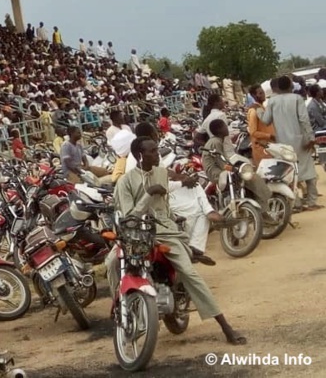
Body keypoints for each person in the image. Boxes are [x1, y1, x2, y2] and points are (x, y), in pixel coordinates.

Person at [106, 137, 246, 345]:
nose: (157, 154)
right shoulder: (125, 182)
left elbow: (163, 209)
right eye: (152, 151)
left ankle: (226, 327)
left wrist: (171, 218)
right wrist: (149, 193)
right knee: (111, 262)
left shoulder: (161, 173)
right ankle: (121, 310)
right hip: (135, 234)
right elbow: (129, 218)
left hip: (165, 232)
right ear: (139, 155)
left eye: (156, 150)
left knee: (189, 273)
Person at [258, 75, 320, 211]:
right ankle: (311, 201)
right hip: (300, 141)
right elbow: (304, 120)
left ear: (278, 87)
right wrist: (311, 138)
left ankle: (296, 203)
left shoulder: (272, 101)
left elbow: (266, 120)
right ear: (291, 86)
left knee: (289, 173)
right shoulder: (297, 99)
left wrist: (258, 111)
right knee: (309, 172)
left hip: (283, 143)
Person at [202, 119, 275, 218]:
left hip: (219, 171)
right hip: (217, 173)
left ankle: (258, 210)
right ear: (219, 130)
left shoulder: (217, 140)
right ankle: (263, 211)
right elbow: (221, 163)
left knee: (245, 177)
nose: (226, 129)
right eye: (224, 126)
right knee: (251, 177)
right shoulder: (216, 142)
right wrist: (235, 169)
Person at [246, 85, 276, 167]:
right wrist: (270, 136)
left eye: (263, 92)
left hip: (270, 146)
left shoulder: (262, 108)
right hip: (261, 148)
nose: (263, 95)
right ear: (254, 96)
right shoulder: (253, 111)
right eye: (260, 93)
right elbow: (253, 132)